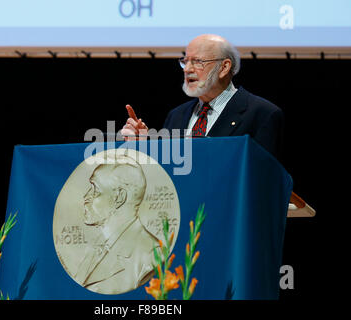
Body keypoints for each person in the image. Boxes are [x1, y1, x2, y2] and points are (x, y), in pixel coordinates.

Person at [121, 34, 284, 158]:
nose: (187, 69)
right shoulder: (177, 115)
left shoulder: (262, 114)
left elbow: (265, 179)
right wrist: (143, 147)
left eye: (197, 62)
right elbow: (166, 173)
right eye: (185, 61)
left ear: (224, 67)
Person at [74, 155, 159, 294]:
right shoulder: (96, 247)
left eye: (95, 189)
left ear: (119, 197)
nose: (86, 197)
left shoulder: (151, 255)